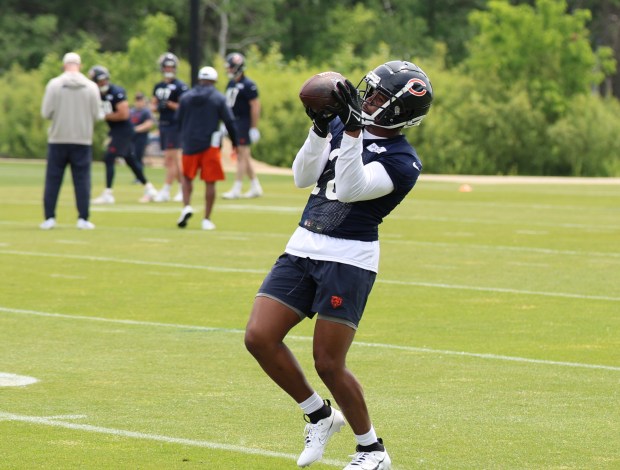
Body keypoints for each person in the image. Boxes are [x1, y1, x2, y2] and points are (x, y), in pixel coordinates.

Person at [244, 61, 433, 470]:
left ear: (401, 111)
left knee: (328, 362)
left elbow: (349, 189)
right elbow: (301, 176)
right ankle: (320, 416)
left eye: (381, 97)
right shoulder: (343, 125)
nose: (368, 99)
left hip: (348, 259)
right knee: (259, 336)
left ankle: (372, 450)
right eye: (370, 90)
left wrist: (349, 132)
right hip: (302, 246)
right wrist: (319, 127)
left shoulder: (403, 161)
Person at [40, 52, 101, 230]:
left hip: (58, 138)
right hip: (82, 139)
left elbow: (46, 113)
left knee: (53, 179)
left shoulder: (54, 85)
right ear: (80, 65)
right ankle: (83, 218)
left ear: (64, 65)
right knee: (82, 180)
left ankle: (49, 217)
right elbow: (97, 114)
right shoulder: (91, 87)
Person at [175, 66, 238, 230]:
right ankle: (206, 219)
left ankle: (186, 206)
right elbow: (229, 121)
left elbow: (178, 120)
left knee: (187, 178)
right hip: (210, 145)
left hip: (189, 143)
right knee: (210, 182)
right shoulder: (218, 98)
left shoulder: (185, 97)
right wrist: (235, 143)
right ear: (214, 80)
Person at [89, 66, 158, 204]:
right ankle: (149, 188)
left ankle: (108, 193)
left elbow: (124, 114)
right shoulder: (97, 94)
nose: (102, 83)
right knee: (131, 161)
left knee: (109, 158)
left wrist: (105, 116)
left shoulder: (116, 92)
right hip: (117, 131)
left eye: (104, 80)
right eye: (99, 81)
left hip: (124, 131)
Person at [222, 52, 263, 199]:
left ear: (238, 67)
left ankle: (237, 188)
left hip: (244, 122)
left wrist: (253, 127)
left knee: (241, 155)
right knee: (244, 156)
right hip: (234, 122)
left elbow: (255, 106)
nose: (229, 70)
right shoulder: (231, 83)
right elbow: (227, 105)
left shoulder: (248, 85)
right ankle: (255, 186)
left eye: (231, 67)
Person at [151, 52, 189, 202]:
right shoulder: (159, 86)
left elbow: (184, 106)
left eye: (171, 66)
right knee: (172, 160)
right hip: (163, 124)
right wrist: (157, 106)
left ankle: (166, 189)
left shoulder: (180, 86)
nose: (168, 69)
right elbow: (153, 106)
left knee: (170, 159)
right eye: (166, 66)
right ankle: (182, 188)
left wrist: (170, 104)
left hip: (175, 124)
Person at [129, 92, 154, 173]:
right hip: (132, 138)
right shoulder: (131, 111)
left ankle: (140, 176)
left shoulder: (146, 112)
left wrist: (136, 129)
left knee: (138, 156)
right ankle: (138, 175)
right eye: (137, 100)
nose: (138, 102)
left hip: (141, 138)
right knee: (133, 157)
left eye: (140, 100)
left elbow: (148, 124)